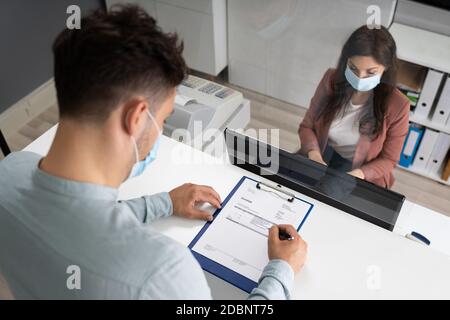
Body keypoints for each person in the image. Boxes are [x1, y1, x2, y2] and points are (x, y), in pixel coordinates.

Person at [0, 5, 307, 300]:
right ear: (136, 118)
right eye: (164, 119)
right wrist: (281, 271)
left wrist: (163, 203)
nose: (161, 131)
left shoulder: (10, 172)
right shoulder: (162, 274)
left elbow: (72, 222)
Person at [299, 25, 409, 188]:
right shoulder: (331, 79)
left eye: (370, 72)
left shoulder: (398, 105)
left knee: (327, 198)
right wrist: (314, 154)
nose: (360, 77)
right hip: (323, 150)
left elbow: (389, 160)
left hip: (360, 168)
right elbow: (306, 126)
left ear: (386, 68)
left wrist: (358, 175)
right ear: (346, 61)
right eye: (353, 68)